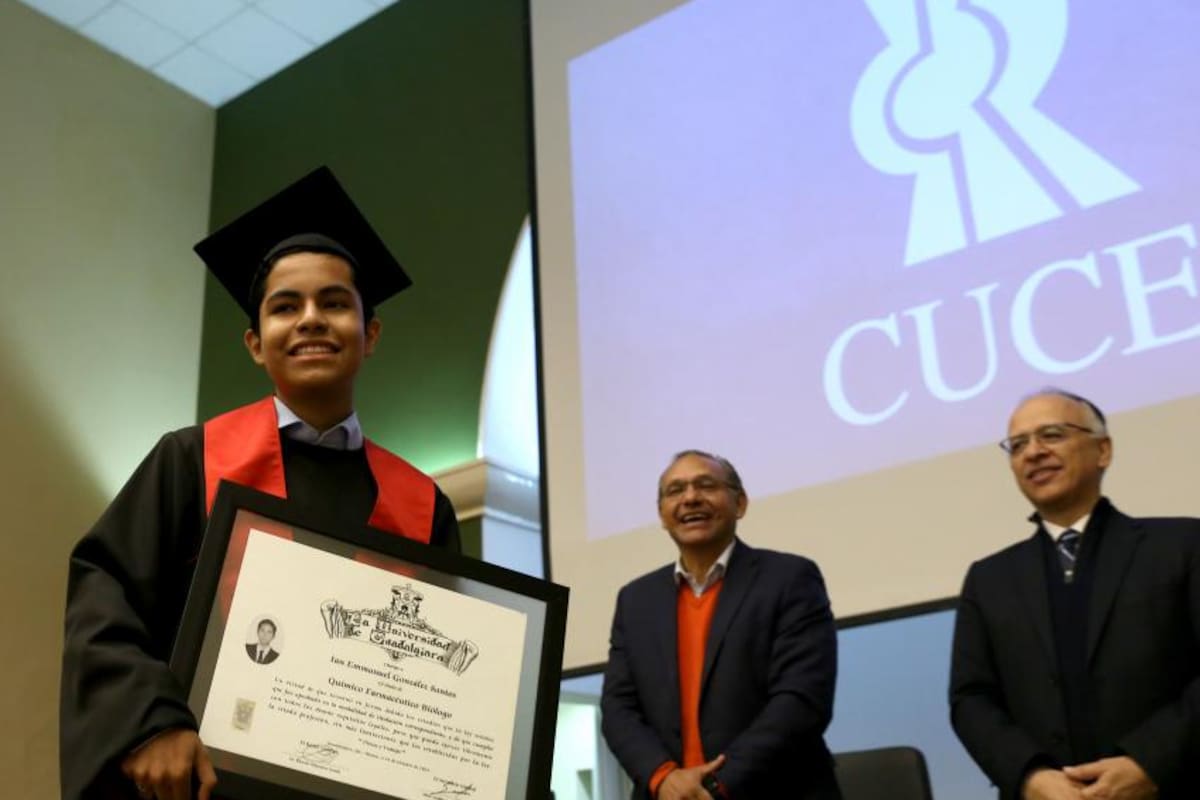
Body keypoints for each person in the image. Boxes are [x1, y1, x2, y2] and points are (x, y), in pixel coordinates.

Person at [60, 167, 461, 800]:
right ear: (255, 343)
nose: (311, 320)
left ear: (371, 334)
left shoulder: (423, 505)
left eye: (335, 303)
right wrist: (150, 723)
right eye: (285, 307)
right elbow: (105, 595)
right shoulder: (189, 460)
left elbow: (440, 670)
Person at [950, 389, 1200, 800]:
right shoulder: (988, 579)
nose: (1033, 452)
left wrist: (1150, 763)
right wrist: (1029, 777)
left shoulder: (1182, 546)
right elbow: (971, 699)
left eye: (1051, 434)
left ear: (1103, 450)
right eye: (1018, 445)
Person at [600, 449, 840, 799]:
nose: (690, 498)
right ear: (662, 515)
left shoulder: (789, 578)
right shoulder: (635, 600)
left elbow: (801, 698)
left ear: (740, 503)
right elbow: (618, 709)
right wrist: (663, 777)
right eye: (675, 490)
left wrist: (715, 784)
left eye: (706, 485)